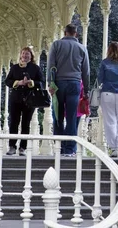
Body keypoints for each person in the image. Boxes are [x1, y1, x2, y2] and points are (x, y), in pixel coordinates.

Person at [47, 23, 90, 156]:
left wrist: (50, 83)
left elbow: (51, 66)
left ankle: (59, 146)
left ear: (64, 33)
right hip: (74, 84)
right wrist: (86, 90)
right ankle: (70, 149)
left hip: (59, 83)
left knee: (58, 115)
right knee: (71, 116)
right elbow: (86, 71)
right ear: (75, 34)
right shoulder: (82, 48)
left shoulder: (56, 45)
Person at [5, 47, 45, 156]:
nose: (25, 56)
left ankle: (23, 147)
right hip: (16, 98)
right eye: (23, 53)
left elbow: (41, 82)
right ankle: (12, 146)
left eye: (27, 54)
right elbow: (7, 81)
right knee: (14, 122)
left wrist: (31, 82)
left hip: (29, 98)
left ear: (31, 56)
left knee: (25, 123)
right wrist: (18, 83)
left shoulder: (35, 68)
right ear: (20, 55)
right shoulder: (14, 68)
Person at [98, 42, 118, 157]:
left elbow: (100, 79)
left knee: (110, 121)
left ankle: (113, 148)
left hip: (107, 93)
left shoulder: (105, 63)